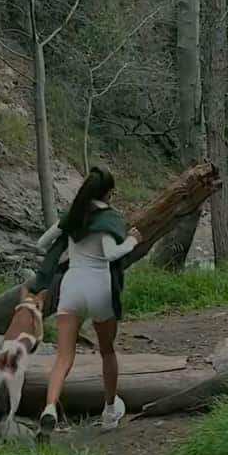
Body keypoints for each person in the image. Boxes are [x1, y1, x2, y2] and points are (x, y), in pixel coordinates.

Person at [35, 166, 141, 437]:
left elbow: (42, 243)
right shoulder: (108, 219)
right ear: (109, 193)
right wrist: (132, 240)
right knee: (107, 351)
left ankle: (49, 408)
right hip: (98, 287)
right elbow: (111, 254)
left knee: (63, 357)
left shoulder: (75, 215)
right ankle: (109, 410)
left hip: (71, 286)